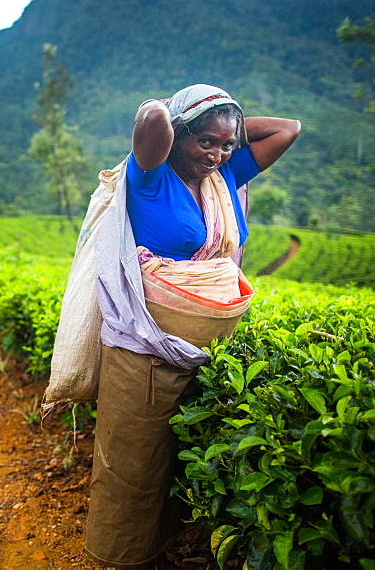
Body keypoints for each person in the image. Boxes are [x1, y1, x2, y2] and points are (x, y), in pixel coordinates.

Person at [85, 84, 300, 568]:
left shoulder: (225, 175)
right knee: (133, 460)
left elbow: (290, 129)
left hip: (212, 351)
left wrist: (226, 124)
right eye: (205, 141)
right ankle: (120, 555)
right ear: (180, 135)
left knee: (186, 457)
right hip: (147, 350)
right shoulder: (149, 177)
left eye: (227, 144)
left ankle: (167, 545)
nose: (217, 153)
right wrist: (187, 108)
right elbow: (154, 119)